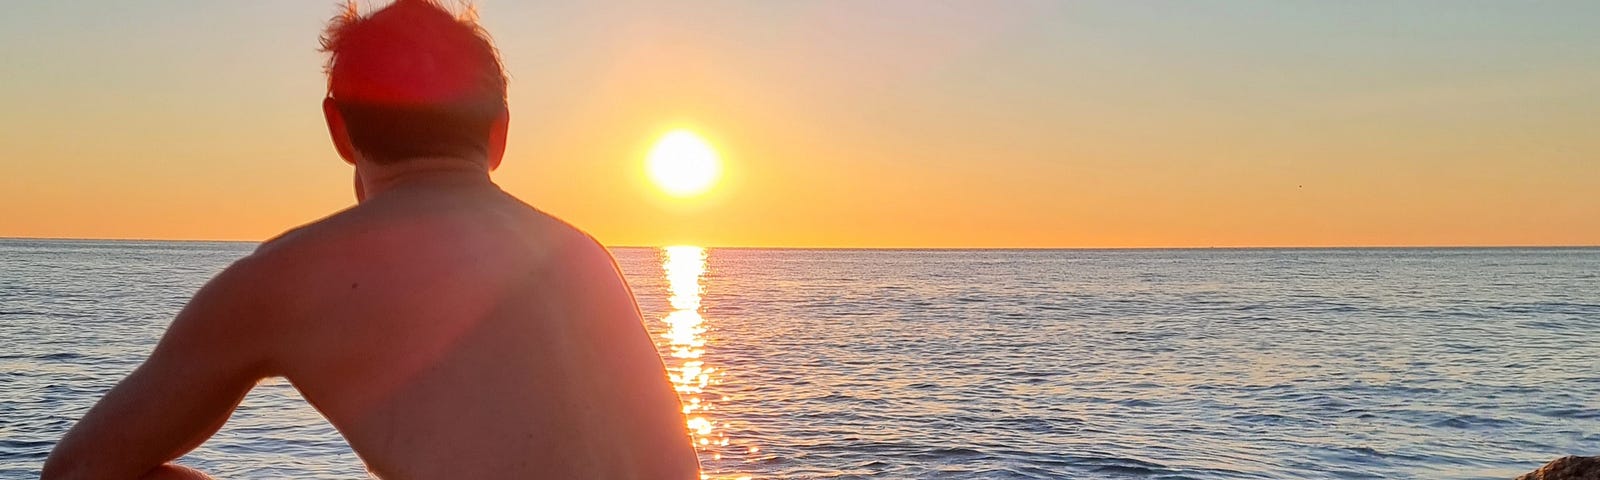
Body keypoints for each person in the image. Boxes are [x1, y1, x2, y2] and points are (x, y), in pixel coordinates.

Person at [40, 1, 701, 478]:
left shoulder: (285, 279)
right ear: (498, 133)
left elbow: (76, 473)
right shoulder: (583, 257)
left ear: (339, 129)